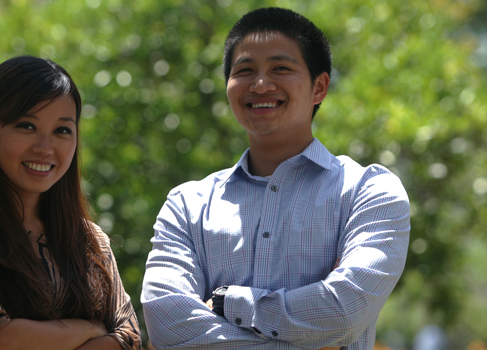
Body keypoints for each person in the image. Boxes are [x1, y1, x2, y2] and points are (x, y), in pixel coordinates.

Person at [141, 7, 410, 350]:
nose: (261, 84)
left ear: (319, 87)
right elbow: (166, 323)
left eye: (280, 68)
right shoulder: (187, 205)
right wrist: (311, 335)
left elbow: (344, 311)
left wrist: (228, 304)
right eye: (245, 70)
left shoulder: (368, 192)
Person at [0, 56, 141, 350]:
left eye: (62, 130)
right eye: (26, 126)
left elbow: (129, 338)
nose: (45, 148)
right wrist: (90, 329)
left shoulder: (91, 239)